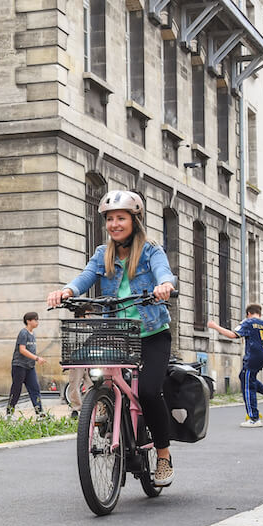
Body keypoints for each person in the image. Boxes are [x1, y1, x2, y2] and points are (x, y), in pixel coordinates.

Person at [46, 190, 178, 486]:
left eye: (121, 218)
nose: (115, 224)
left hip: (151, 334)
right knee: (100, 377)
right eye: (110, 219)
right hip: (116, 332)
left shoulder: (150, 250)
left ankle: (163, 455)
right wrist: (66, 291)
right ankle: (105, 406)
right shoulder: (102, 254)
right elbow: (85, 277)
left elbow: (163, 272)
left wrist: (165, 285)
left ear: (134, 220)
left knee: (148, 392)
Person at [207, 304, 263, 427]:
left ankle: (254, 418)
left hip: (252, 357)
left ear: (248, 314)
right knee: (245, 377)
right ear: (259, 313)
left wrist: (215, 326)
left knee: (248, 386)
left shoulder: (248, 322)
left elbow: (233, 335)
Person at [7, 311, 46, 419]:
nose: (37, 322)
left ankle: (40, 413)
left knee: (35, 388)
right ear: (28, 321)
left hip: (30, 367)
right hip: (19, 366)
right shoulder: (23, 333)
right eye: (35, 320)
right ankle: (9, 413)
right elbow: (22, 350)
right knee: (16, 389)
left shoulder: (33, 334)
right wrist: (37, 358)